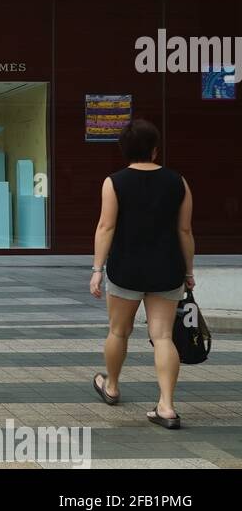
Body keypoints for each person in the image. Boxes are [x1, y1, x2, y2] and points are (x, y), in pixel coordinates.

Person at [90, 119, 194, 430]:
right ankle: (166, 405)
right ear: (154, 149)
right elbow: (185, 230)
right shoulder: (179, 182)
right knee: (162, 336)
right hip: (167, 268)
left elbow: (105, 227)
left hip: (127, 269)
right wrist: (189, 271)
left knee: (118, 331)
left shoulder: (114, 182)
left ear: (123, 150)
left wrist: (97, 269)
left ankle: (112, 386)